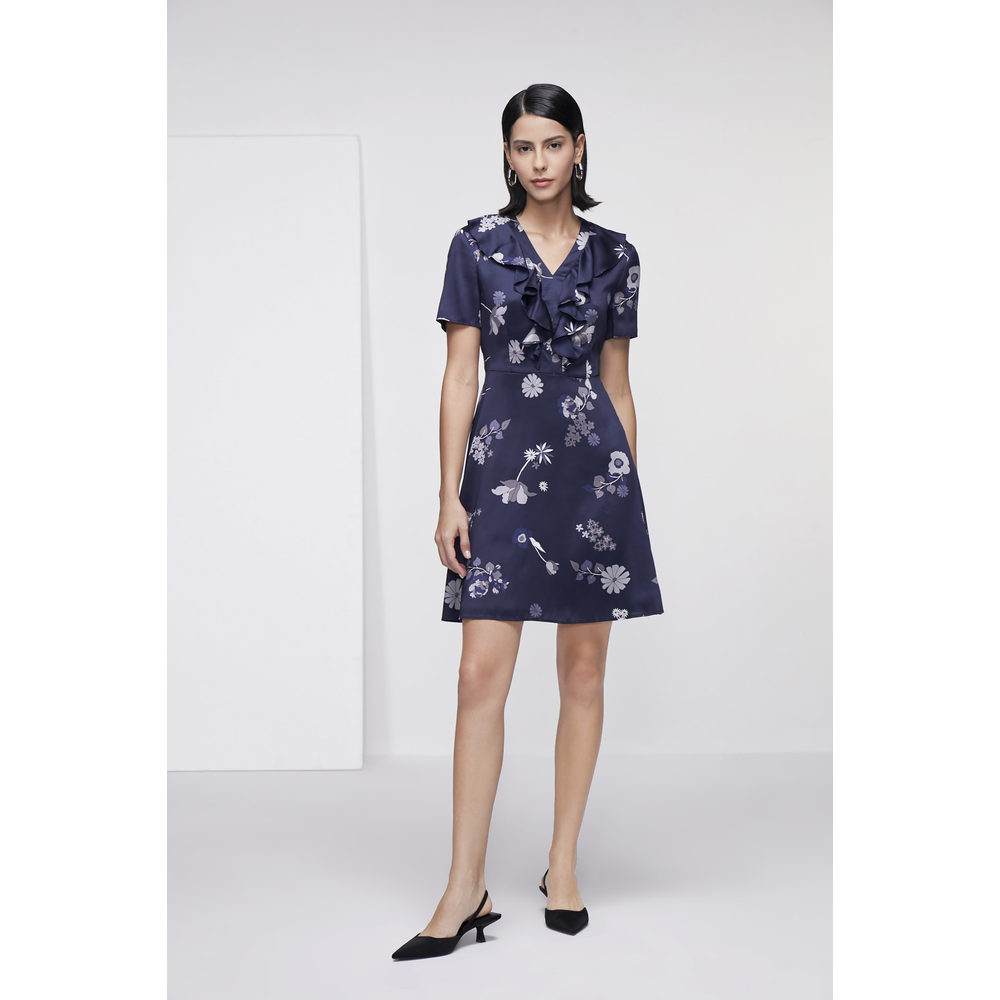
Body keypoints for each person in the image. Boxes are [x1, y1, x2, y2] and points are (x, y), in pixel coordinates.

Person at [391, 83, 664, 962]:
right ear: (506, 155)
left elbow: (617, 385)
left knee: (582, 675)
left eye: (552, 144)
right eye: (522, 147)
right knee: (479, 676)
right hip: (502, 472)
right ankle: (463, 887)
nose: (538, 162)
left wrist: (626, 491)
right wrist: (448, 495)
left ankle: (562, 864)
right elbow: (459, 375)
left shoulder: (616, 255)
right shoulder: (477, 245)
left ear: (578, 148)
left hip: (593, 476)